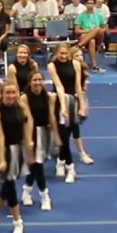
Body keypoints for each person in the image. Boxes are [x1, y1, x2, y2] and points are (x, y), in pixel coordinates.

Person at [0, 81, 32, 233]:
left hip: (17, 149)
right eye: (8, 93)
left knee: (6, 187)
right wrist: (3, 159)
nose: (11, 95)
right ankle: (18, 222)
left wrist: (28, 148)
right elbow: (0, 136)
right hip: (4, 149)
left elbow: (26, 127)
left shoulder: (21, 107)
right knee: (10, 186)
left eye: (13, 92)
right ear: (2, 94)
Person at [48, 44, 87, 183]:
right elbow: (59, 86)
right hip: (59, 100)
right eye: (61, 54)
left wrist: (82, 105)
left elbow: (77, 86)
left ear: (69, 53)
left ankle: (60, 160)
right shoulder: (52, 66)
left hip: (73, 100)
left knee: (68, 133)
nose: (63, 56)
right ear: (56, 53)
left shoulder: (76, 64)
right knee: (63, 136)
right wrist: (63, 107)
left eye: (65, 53)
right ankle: (70, 167)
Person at [20, 70, 57, 211]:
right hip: (30, 132)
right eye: (34, 80)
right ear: (30, 82)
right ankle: (44, 195)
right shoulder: (24, 98)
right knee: (38, 164)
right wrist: (29, 140)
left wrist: (57, 136)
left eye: (39, 80)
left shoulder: (48, 97)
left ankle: (27, 191)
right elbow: (28, 120)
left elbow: (52, 116)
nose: (37, 83)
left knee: (35, 165)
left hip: (44, 132)